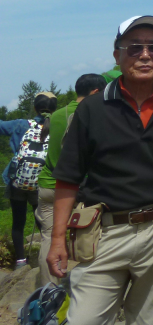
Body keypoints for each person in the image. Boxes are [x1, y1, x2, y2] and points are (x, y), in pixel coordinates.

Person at [47, 16, 153, 325]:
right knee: (85, 319)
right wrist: (56, 240)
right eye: (134, 48)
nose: (145, 55)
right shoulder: (92, 109)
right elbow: (68, 177)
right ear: (117, 55)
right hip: (105, 232)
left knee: (150, 320)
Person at [35, 73, 106, 286]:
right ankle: (83, 286)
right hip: (80, 187)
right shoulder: (96, 113)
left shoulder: (55, 115)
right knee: (87, 236)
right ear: (95, 92)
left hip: (48, 185)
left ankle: (49, 291)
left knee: (49, 237)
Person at [0, 91, 58, 269]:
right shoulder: (58, 126)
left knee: (18, 222)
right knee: (43, 222)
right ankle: (49, 256)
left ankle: (20, 261)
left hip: (18, 181)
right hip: (42, 182)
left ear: (34, 107)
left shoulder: (20, 125)